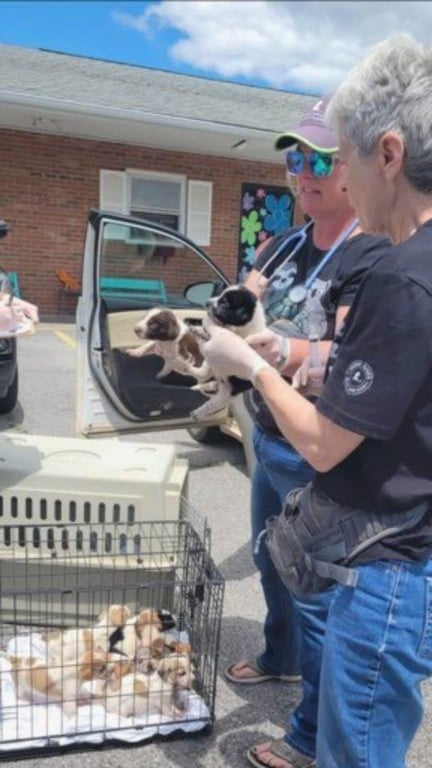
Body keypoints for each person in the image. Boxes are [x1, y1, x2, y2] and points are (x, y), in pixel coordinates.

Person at [200, 34, 432, 768]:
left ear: (387, 155)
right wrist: (284, 351)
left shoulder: (400, 274)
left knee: (353, 751)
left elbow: (329, 444)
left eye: (344, 158)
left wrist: (252, 365)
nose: (322, 174)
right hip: (409, 548)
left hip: (387, 565)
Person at [225, 97, 388, 685]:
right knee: (270, 559)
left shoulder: (369, 253)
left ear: (354, 167)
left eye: (319, 162)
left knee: (314, 585)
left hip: (315, 446)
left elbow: (349, 359)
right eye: (294, 161)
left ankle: (314, 732)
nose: (301, 176)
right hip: (270, 433)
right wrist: (232, 314)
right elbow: (235, 313)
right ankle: (282, 658)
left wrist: (269, 350)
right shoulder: (282, 246)